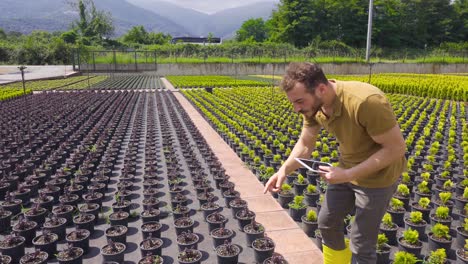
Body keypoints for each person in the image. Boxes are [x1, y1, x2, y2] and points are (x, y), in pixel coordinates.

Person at [263, 62, 406, 264]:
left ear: (321, 88)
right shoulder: (314, 107)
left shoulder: (366, 101)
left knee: (361, 243)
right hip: (345, 168)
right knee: (327, 223)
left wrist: (348, 175)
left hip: (378, 177)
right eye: (293, 102)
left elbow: (396, 149)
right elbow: (305, 143)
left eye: (300, 101)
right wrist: (283, 170)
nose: (296, 108)